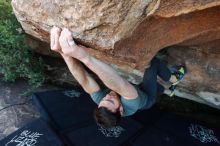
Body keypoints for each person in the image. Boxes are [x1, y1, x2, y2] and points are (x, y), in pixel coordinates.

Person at [50, 26, 187, 128]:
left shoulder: (102, 104)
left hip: (137, 91)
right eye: (111, 101)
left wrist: (63, 53)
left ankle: (169, 91)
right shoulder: (131, 106)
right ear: (120, 110)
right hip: (146, 99)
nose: (107, 96)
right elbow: (119, 85)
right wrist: (83, 57)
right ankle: (174, 79)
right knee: (153, 64)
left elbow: (84, 79)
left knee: (158, 87)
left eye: (104, 100)